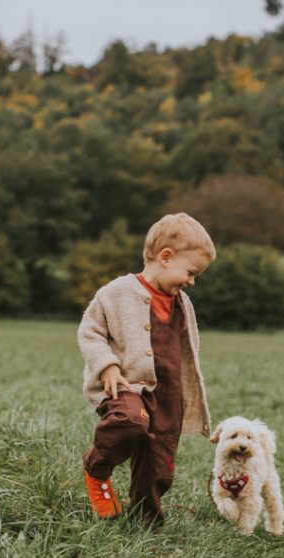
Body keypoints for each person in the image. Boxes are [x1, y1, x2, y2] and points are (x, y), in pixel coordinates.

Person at [77, 213, 215, 526]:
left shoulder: (183, 303)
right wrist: (107, 367)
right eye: (190, 272)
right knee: (128, 422)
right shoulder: (117, 293)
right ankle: (96, 467)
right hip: (125, 386)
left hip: (167, 394)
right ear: (166, 257)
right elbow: (90, 331)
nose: (191, 281)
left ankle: (145, 523)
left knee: (159, 465)